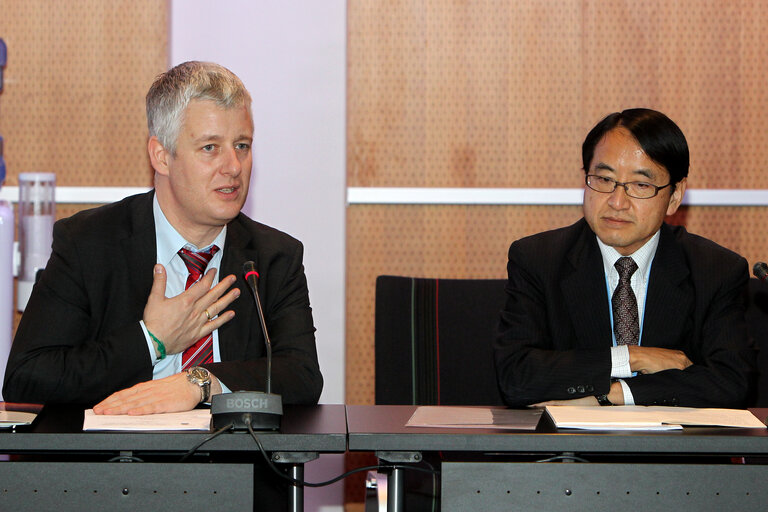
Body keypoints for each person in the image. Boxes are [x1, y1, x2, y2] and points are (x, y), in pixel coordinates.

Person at [4, 61, 323, 414]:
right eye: (210, 148)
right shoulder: (89, 243)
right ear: (161, 156)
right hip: (120, 462)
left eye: (242, 146)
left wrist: (201, 382)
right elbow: (28, 376)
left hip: (235, 466)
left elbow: (302, 375)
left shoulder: (273, 256)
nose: (233, 166)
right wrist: (150, 340)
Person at [494, 108, 755, 408]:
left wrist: (615, 394)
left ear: (674, 195)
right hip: (570, 451)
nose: (617, 202)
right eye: (604, 179)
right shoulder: (539, 260)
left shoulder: (715, 270)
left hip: (673, 453)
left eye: (641, 185)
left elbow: (732, 381)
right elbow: (516, 375)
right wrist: (631, 357)